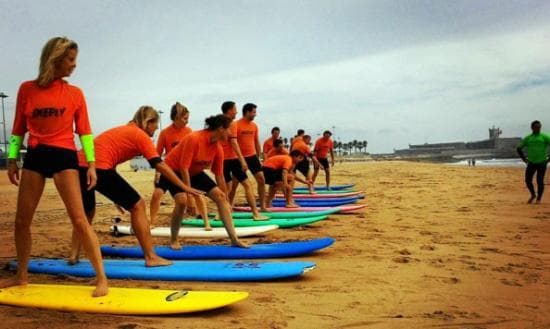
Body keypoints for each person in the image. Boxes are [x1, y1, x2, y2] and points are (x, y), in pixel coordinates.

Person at [1, 37, 108, 297]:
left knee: (80, 219)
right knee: (21, 221)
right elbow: (17, 130)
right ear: (55, 59)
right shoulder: (27, 89)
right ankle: (22, 275)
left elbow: (84, 132)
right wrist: (12, 159)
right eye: (70, 59)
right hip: (36, 157)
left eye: (74, 60)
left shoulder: (75, 93)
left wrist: (91, 164)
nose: (74, 65)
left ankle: (101, 279)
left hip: (64, 157)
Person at [70, 106, 203, 265]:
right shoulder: (140, 135)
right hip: (97, 167)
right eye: (155, 125)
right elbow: (159, 165)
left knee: (86, 214)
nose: (155, 130)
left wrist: (116, 197)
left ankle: (74, 255)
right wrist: (185, 187)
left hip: (78, 166)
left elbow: (109, 163)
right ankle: (150, 257)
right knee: (138, 205)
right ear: (148, 122)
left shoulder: (126, 130)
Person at [161, 114, 249, 249]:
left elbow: (219, 176)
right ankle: (173, 240)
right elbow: (184, 168)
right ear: (220, 128)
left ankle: (234, 239)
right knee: (182, 201)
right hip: (173, 171)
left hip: (195, 173)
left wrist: (224, 197)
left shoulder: (218, 148)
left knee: (220, 197)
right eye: (229, 129)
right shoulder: (194, 138)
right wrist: (190, 196)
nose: (231, 133)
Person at [149, 102, 195, 227]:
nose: (187, 121)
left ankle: (179, 222)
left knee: (182, 200)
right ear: (176, 118)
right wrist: (157, 173)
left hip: (181, 171)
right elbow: (156, 154)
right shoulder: (165, 132)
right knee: (156, 194)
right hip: (166, 169)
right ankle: (151, 222)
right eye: (185, 118)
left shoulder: (189, 132)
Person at [220, 101, 266, 219]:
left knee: (259, 179)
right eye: (254, 112)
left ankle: (262, 207)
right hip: (236, 158)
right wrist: (241, 159)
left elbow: (256, 141)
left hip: (249, 156)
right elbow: (233, 142)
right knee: (232, 186)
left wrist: (259, 155)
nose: (255, 114)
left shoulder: (254, 126)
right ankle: (227, 207)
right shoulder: (235, 124)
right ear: (247, 112)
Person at [517, 120, 550, 204]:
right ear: (532, 128)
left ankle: (538, 199)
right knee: (528, 180)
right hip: (531, 162)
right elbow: (519, 148)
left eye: (539, 127)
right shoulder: (528, 138)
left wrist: (548, 159)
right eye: (536, 127)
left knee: (540, 181)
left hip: (542, 162)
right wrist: (524, 159)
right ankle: (533, 194)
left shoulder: (544, 137)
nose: (538, 129)